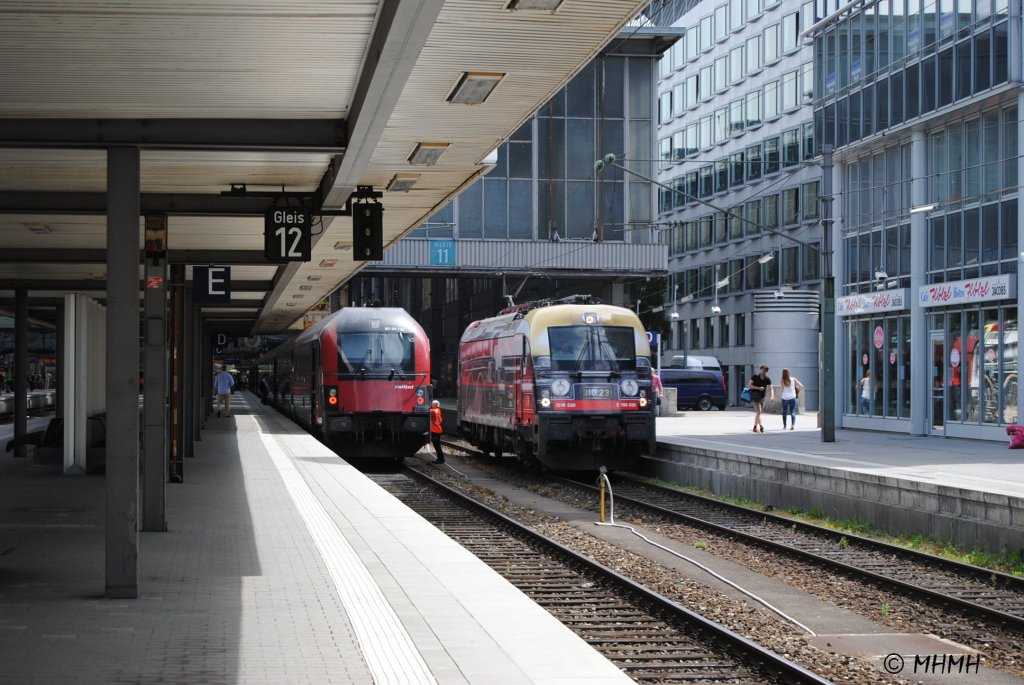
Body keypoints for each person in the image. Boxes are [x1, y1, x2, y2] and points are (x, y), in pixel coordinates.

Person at [747, 365, 774, 433]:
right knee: (758, 412)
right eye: (762, 370)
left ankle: (755, 427)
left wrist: (772, 396)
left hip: (762, 397)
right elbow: (749, 385)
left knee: (759, 413)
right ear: (760, 369)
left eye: (765, 370)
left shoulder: (767, 379)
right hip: (755, 397)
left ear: (766, 371)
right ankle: (760, 426)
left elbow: (771, 388)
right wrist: (758, 388)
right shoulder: (755, 376)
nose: (763, 371)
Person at [429, 399, 445, 464]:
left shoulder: (435, 411)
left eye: (433, 404)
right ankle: (440, 459)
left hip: (436, 431)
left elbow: (431, 411)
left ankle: (441, 459)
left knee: (437, 446)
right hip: (436, 430)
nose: (431, 405)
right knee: (437, 446)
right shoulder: (437, 410)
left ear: (436, 405)